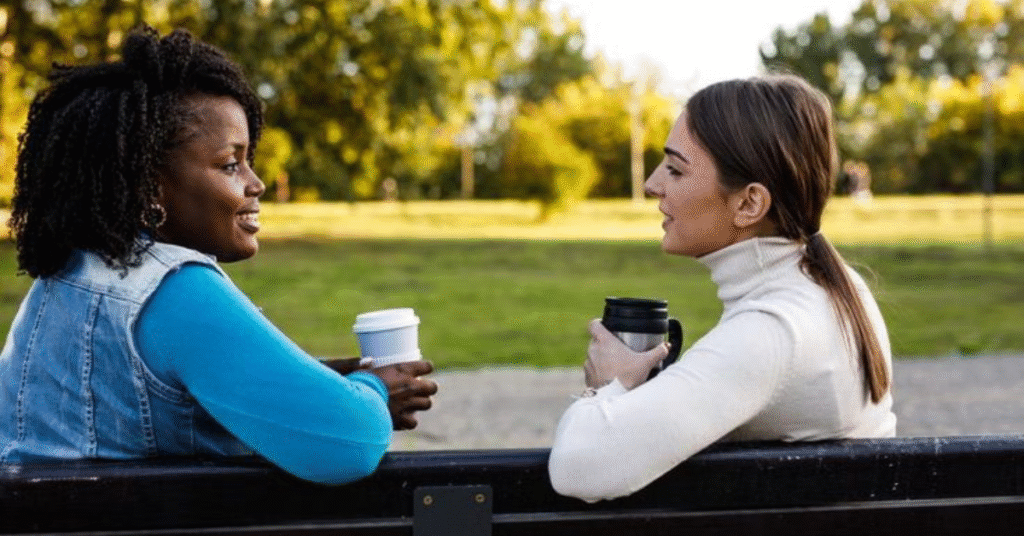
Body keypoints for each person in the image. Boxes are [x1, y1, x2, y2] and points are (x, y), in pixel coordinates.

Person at [0, 27, 437, 484]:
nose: (256, 183)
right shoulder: (175, 290)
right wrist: (373, 393)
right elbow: (351, 444)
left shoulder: (66, 278)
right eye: (231, 164)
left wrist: (323, 385)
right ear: (151, 186)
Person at [548, 74, 896, 502]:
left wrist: (608, 386)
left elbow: (578, 467)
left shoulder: (773, 331)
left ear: (750, 203)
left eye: (675, 169)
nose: (652, 184)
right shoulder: (836, 290)